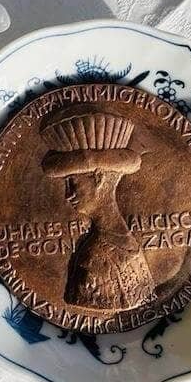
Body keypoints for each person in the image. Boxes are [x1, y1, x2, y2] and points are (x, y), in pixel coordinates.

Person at [41, 108, 157, 311]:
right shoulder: (121, 246)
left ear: (99, 178)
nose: (69, 194)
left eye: (73, 183)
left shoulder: (94, 259)